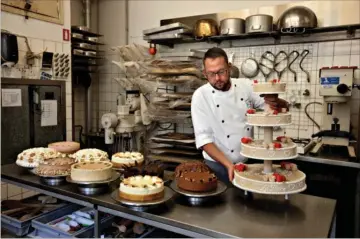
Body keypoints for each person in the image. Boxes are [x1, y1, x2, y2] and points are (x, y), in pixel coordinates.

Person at [191, 47, 289, 184]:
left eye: (221, 72)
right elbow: (203, 139)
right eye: (211, 74)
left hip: (247, 164)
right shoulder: (200, 96)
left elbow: (272, 108)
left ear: (229, 68)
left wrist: (276, 101)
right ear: (204, 73)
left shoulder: (246, 86)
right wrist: (229, 165)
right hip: (216, 166)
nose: (218, 78)